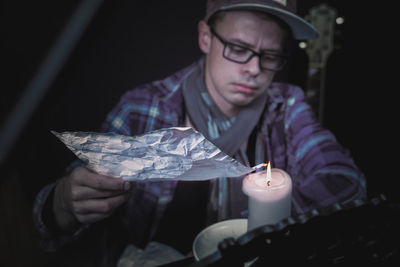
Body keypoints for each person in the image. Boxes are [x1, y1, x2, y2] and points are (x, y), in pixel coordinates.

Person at [33, 0, 367, 266]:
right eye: (238, 47)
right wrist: (62, 205)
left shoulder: (288, 105)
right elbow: (57, 224)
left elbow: (345, 183)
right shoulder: (143, 107)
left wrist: (254, 228)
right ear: (205, 37)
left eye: (270, 55)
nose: (254, 69)